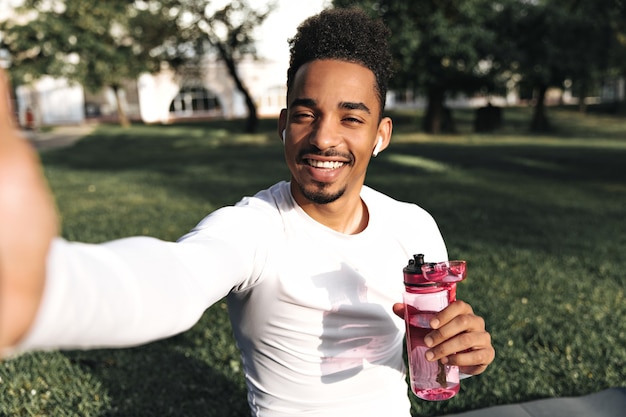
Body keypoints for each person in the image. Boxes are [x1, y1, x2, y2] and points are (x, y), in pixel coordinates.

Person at [0, 8, 494, 417]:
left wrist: (464, 355)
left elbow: (431, 351)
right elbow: (176, 279)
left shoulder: (414, 227)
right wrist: (40, 289)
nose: (323, 137)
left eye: (351, 117)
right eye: (305, 114)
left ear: (380, 135)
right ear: (283, 125)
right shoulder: (255, 227)